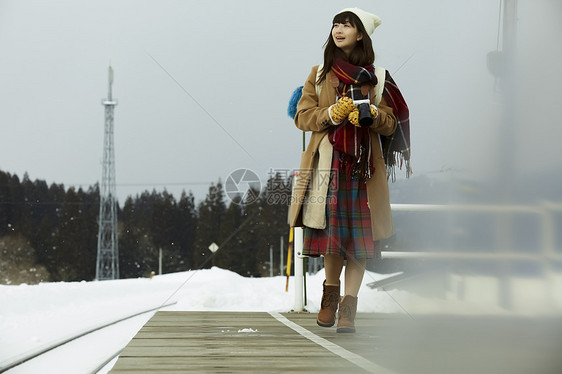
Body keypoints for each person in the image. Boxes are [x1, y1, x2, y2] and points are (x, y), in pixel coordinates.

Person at [288, 7, 410, 333]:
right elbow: (303, 117)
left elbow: (391, 123)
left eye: (347, 25)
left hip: (365, 169)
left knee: (360, 242)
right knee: (332, 238)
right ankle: (330, 295)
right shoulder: (318, 74)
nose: (339, 29)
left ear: (361, 34)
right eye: (336, 24)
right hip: (328, 167)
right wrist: (331, 112)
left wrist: (370, 113)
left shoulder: (380, 77)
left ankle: (348, 309)